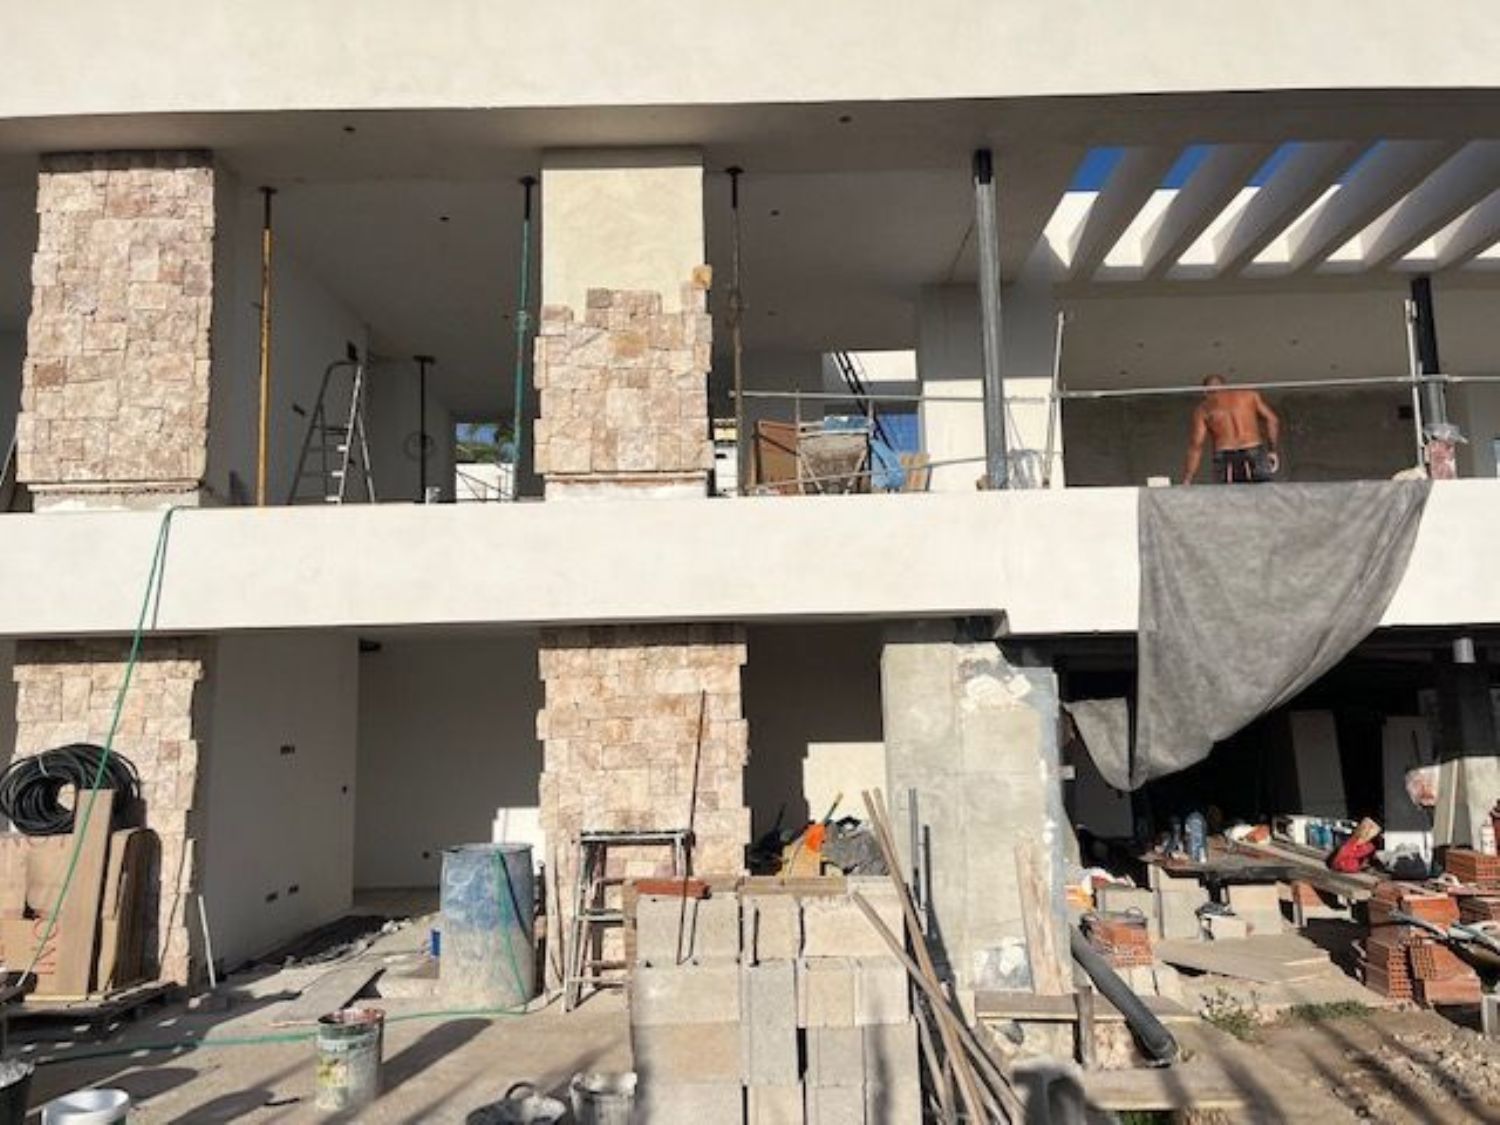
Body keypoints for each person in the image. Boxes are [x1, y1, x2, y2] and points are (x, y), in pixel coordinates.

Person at [1181, 374, 1281, 485]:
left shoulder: (1203, 409)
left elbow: (1197, 444)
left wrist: (1188, 478)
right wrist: (1272, 450)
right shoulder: (1249, 396)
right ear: (1225, 386)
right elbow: (1273, 420)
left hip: (1226, 454)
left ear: (1205, 392)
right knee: (1263, 492)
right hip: (1253, 449)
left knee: (1229, 494)